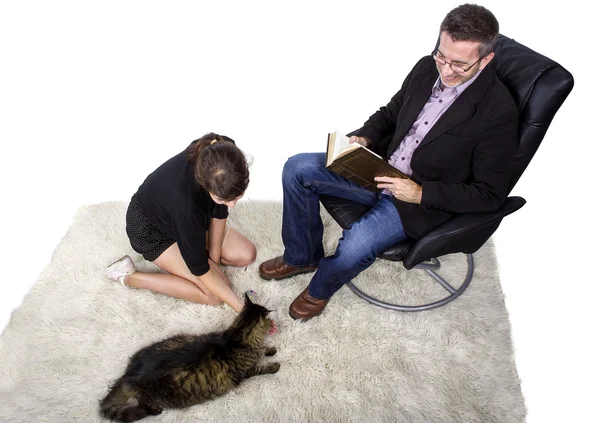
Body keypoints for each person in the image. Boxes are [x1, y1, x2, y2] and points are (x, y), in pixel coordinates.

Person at [259, 4, 518, 320]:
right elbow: (391, 113)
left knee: (356, 244)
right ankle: (301, 256)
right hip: (380, 169)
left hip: (416, 202)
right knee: (297, 168)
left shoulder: (498, 112)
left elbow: (489, 194)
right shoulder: (426, 68)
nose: (446, 70)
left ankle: (319, 290)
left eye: (460, 65)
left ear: (486, 59)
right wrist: (365, 138)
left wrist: (420, 193)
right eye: (442, 56)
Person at [105, 133, 256, 313]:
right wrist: (246, 311)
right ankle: (128, 277)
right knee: (215, 295)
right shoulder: (186, 207)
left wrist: (214, 262)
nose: (232, 205)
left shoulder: (223, 151)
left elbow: (219, 212)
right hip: (151, 232)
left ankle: (196, 252)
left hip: (183, 218)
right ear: (206, 185)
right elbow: (201, 269)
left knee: (246, 254)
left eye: (237, 197)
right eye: (224, 199)